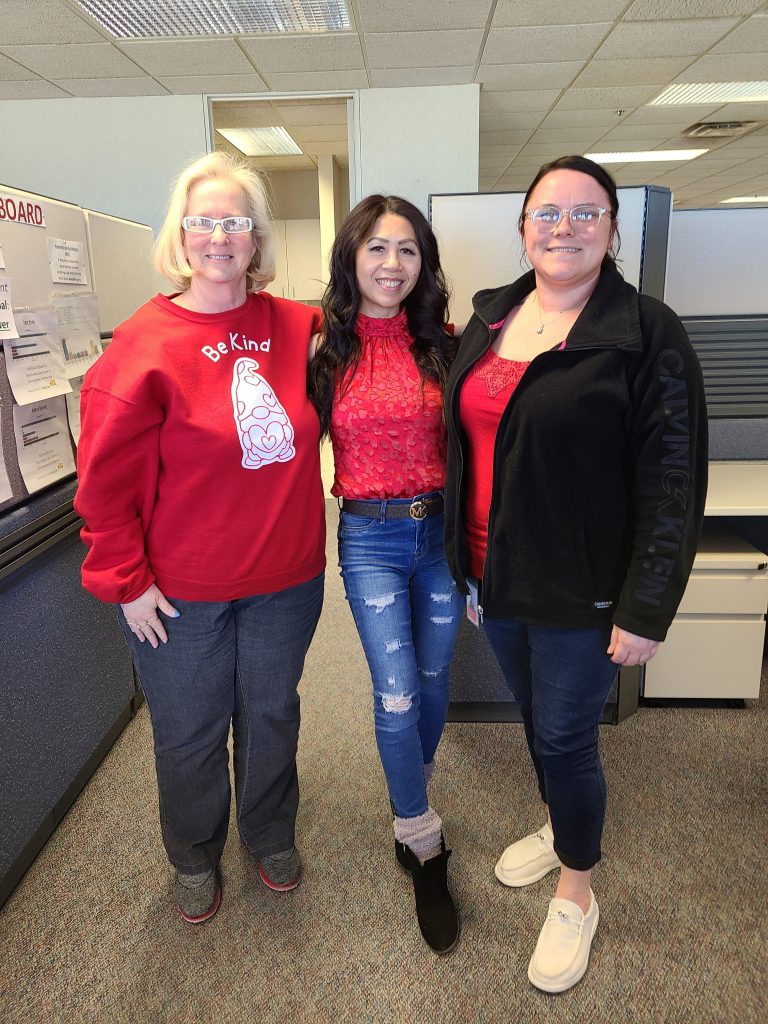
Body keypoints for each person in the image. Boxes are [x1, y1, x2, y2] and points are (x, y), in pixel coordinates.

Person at [443, 155, 707, 991]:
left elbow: (673, 481)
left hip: (583, 586)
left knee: (565, 735)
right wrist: (467, 567)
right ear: (523, 227)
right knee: (533, 718)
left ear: (612, 229)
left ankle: (577, 892)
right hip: (497, 572)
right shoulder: (491, 318)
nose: (565, 228)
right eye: (548, 213)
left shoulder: (646, 331)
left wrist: (646, 606)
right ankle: (560, 826)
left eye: (585, 213)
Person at [74, 152, 326, 924]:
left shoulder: (297, 325)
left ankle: (269, 832)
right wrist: (125, 581)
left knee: (271, 714)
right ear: (181, 236)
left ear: (257, 239)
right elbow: (103, 481)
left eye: (236, 222)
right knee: (188, 732)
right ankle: (192, 854)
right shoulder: (145, 344)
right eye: (204, 222)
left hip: (285, 577)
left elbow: (390, 329)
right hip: (179, 590)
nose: (220, 237)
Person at [308, 195, 462, 954]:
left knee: (433, 685)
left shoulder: (447, 345)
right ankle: (419, 834)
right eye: (376, 248)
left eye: (407, 250)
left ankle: (412, 783)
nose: (392, 265)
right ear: (351, 258)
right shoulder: (324, 349)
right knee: (396, 690)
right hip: (369, 539)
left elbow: (479, 455)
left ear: (423, 263)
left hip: (438, 537)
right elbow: (281, 451)